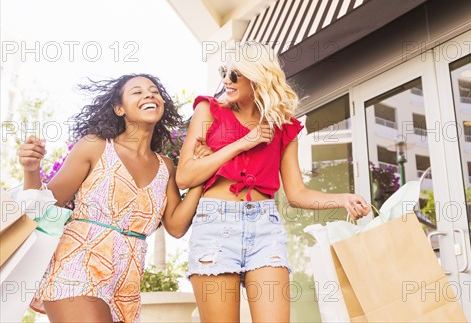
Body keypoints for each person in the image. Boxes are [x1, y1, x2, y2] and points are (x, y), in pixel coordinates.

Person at [176, 42, 370, 323]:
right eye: (223, 72)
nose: (225, 81)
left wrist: (342, 199)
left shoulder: (283, 126)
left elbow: (296, 192)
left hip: (264, 228)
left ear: (257, 78)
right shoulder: (208, 111)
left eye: (234, 75)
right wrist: (244, 143)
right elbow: (184, 176)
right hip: (216, 224)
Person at [19, 74, 207, 323]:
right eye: (137, 92)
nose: (149, 95)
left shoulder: (166, 166)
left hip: (127, 283)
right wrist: (31, 169)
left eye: (153, 91)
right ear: (119, 108)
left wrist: (200, 175)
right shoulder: (95, 146)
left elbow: (175, 226)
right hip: (77, 267)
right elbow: (45, 207)